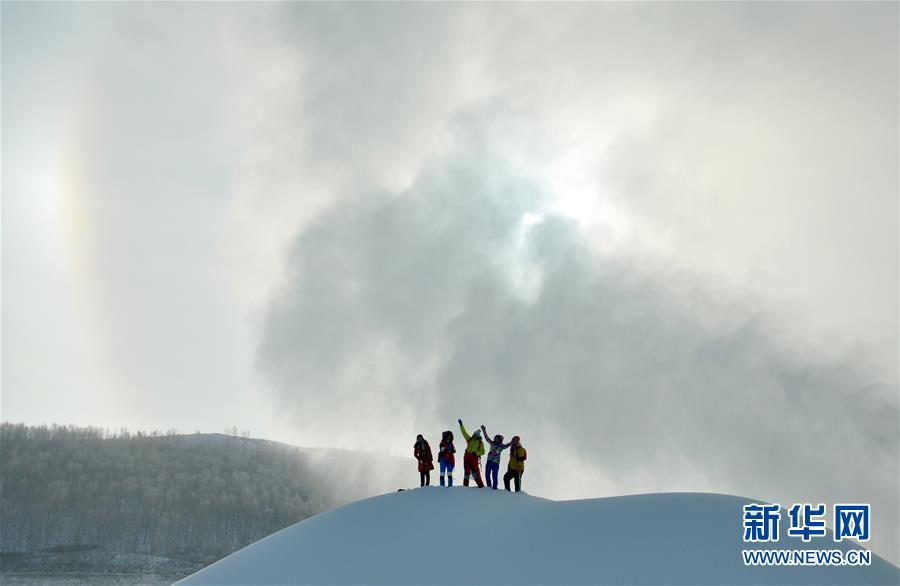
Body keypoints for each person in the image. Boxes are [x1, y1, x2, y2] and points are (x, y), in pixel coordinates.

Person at [480, 424, 511, 490]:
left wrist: (512, 442)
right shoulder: (492, 443)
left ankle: (494, 488)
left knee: (494, 475)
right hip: (489, 461)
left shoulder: (501, 446)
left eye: (497, 439)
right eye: (495, 438)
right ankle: (489, 486)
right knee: (487, 474)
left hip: (495, 463)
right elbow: (486, 438)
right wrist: (484, 430)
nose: (495, 439)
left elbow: (507, 445)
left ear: (499, 440)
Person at [457, 418, 485, 487]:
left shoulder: (480, 443)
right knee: (466, 473)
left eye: (476, 435)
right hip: (467, 457)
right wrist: (461, 425)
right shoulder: (470, 439)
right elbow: (464, 433)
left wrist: (477, 453)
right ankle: (465, 486)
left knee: (475, 473)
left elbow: (483, 451)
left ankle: (481, 486)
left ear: (478, 436)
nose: (475, 436)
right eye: (474, 434)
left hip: (474, 458)